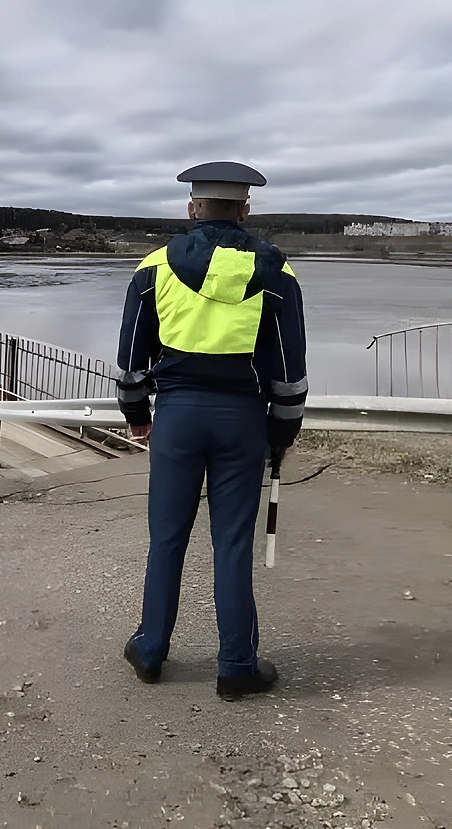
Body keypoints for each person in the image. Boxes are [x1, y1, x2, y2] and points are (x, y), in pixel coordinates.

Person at [116, 161, 308, 700]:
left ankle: (151, 650)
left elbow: (131, 362)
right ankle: (236, 665)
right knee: (231, 544)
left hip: (177, 416)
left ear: (192, 208)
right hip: (243, 421)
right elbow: (290, 373)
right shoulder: (276, 272)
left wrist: (137, 416)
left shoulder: (152, 268)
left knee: (167, 539)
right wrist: (281, 433)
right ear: (246, 210)